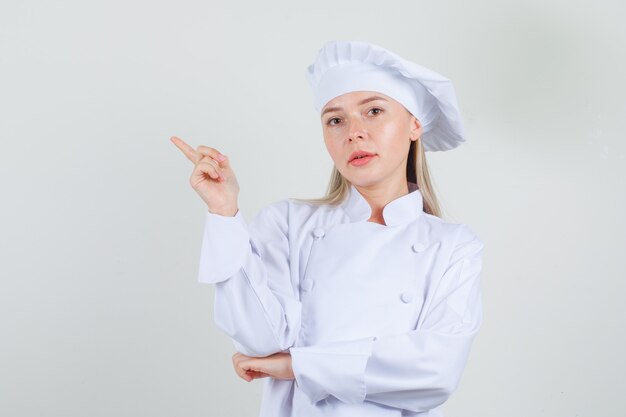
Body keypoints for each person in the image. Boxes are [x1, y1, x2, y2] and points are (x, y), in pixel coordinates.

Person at [171, 40, 484, 417]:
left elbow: (435, 371)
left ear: (415, 124)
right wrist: (224, 212)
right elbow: (259, 338)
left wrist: (297, 365)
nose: (353, 132)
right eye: (335, 119)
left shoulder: (452, 245)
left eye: (373, 111)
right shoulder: (287, 222)